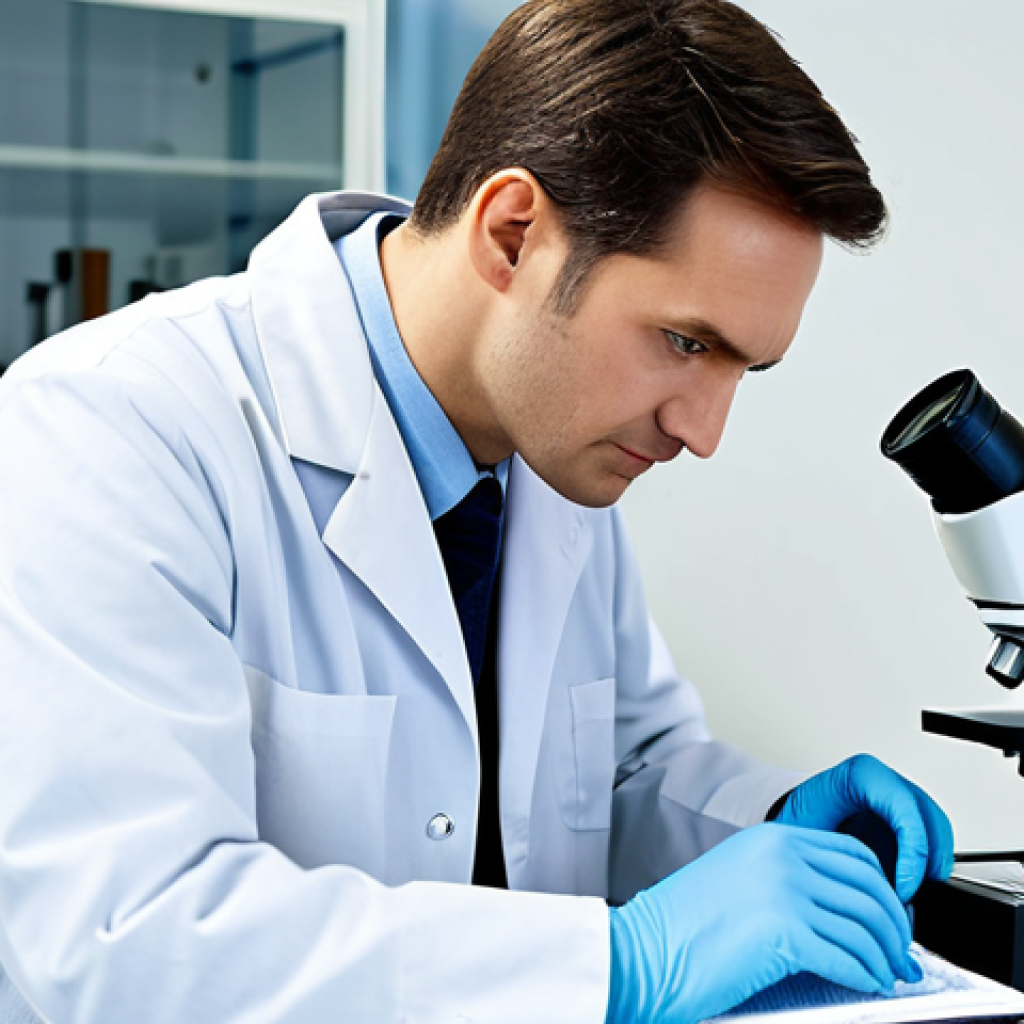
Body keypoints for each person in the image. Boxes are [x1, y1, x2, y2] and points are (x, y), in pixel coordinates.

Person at [0, 1, 953, 1022]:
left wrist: (763, 824)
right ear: (511, 235)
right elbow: (126, 941)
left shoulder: (555, 457)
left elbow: (614, 770)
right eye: (685, 341)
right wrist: (621, 962)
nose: (703, 430)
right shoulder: (114, 428)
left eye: (744, 368)